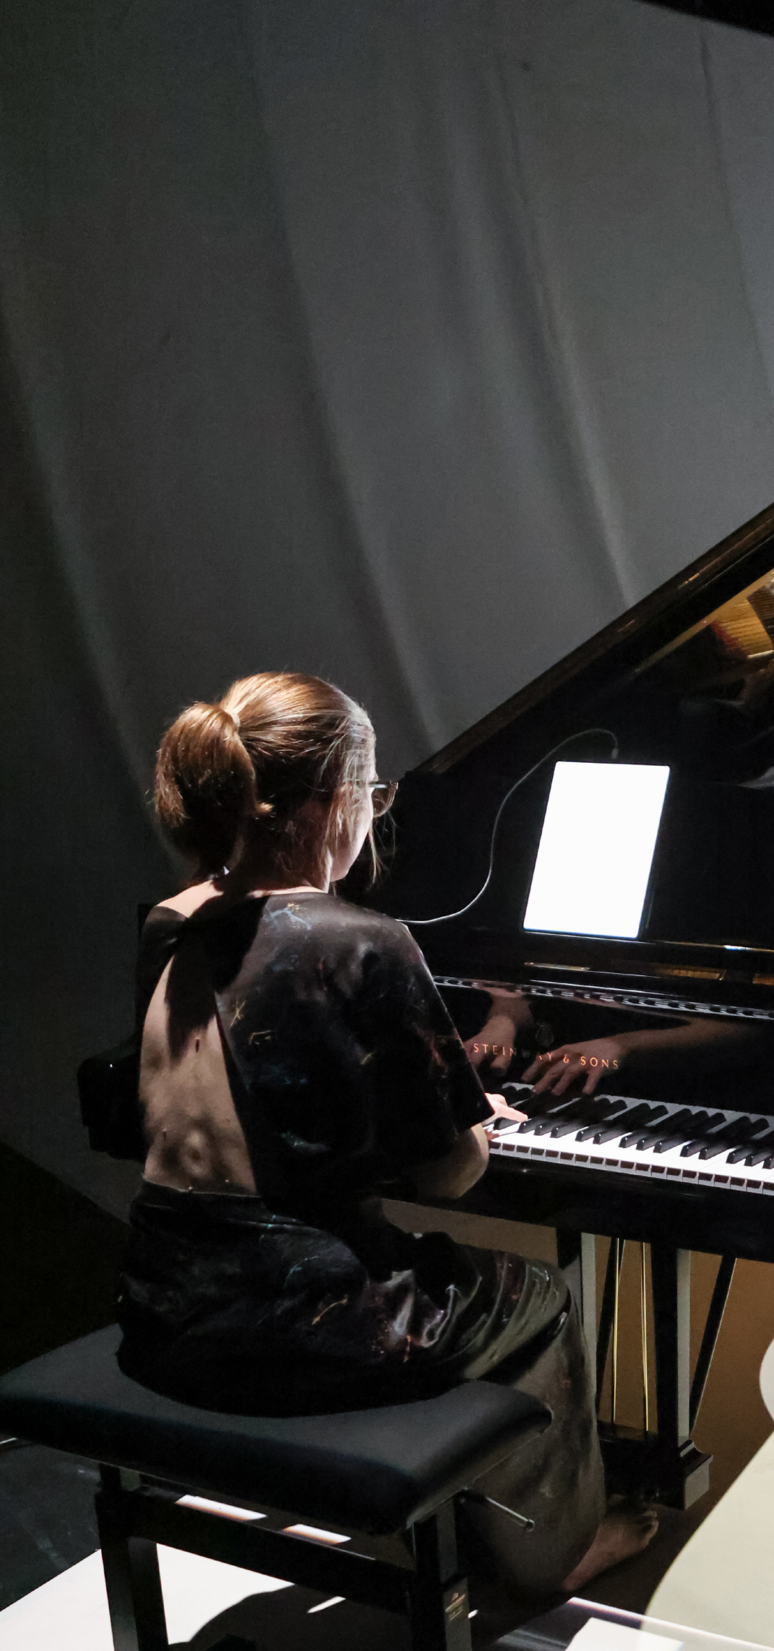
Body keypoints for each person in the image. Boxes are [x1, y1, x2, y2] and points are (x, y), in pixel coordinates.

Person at [118, 670, 655, 1604]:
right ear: (328, 803)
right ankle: (550, 1554)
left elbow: (256, 1102)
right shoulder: (357, 939)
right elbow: (448, 1178)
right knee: (535, 1293)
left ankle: (478, 1514)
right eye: (373, 792)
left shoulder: (173, 920)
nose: (374, 812)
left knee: (436, 1268)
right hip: (298, 1323)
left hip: (163, 1296)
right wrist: (471, 1117)